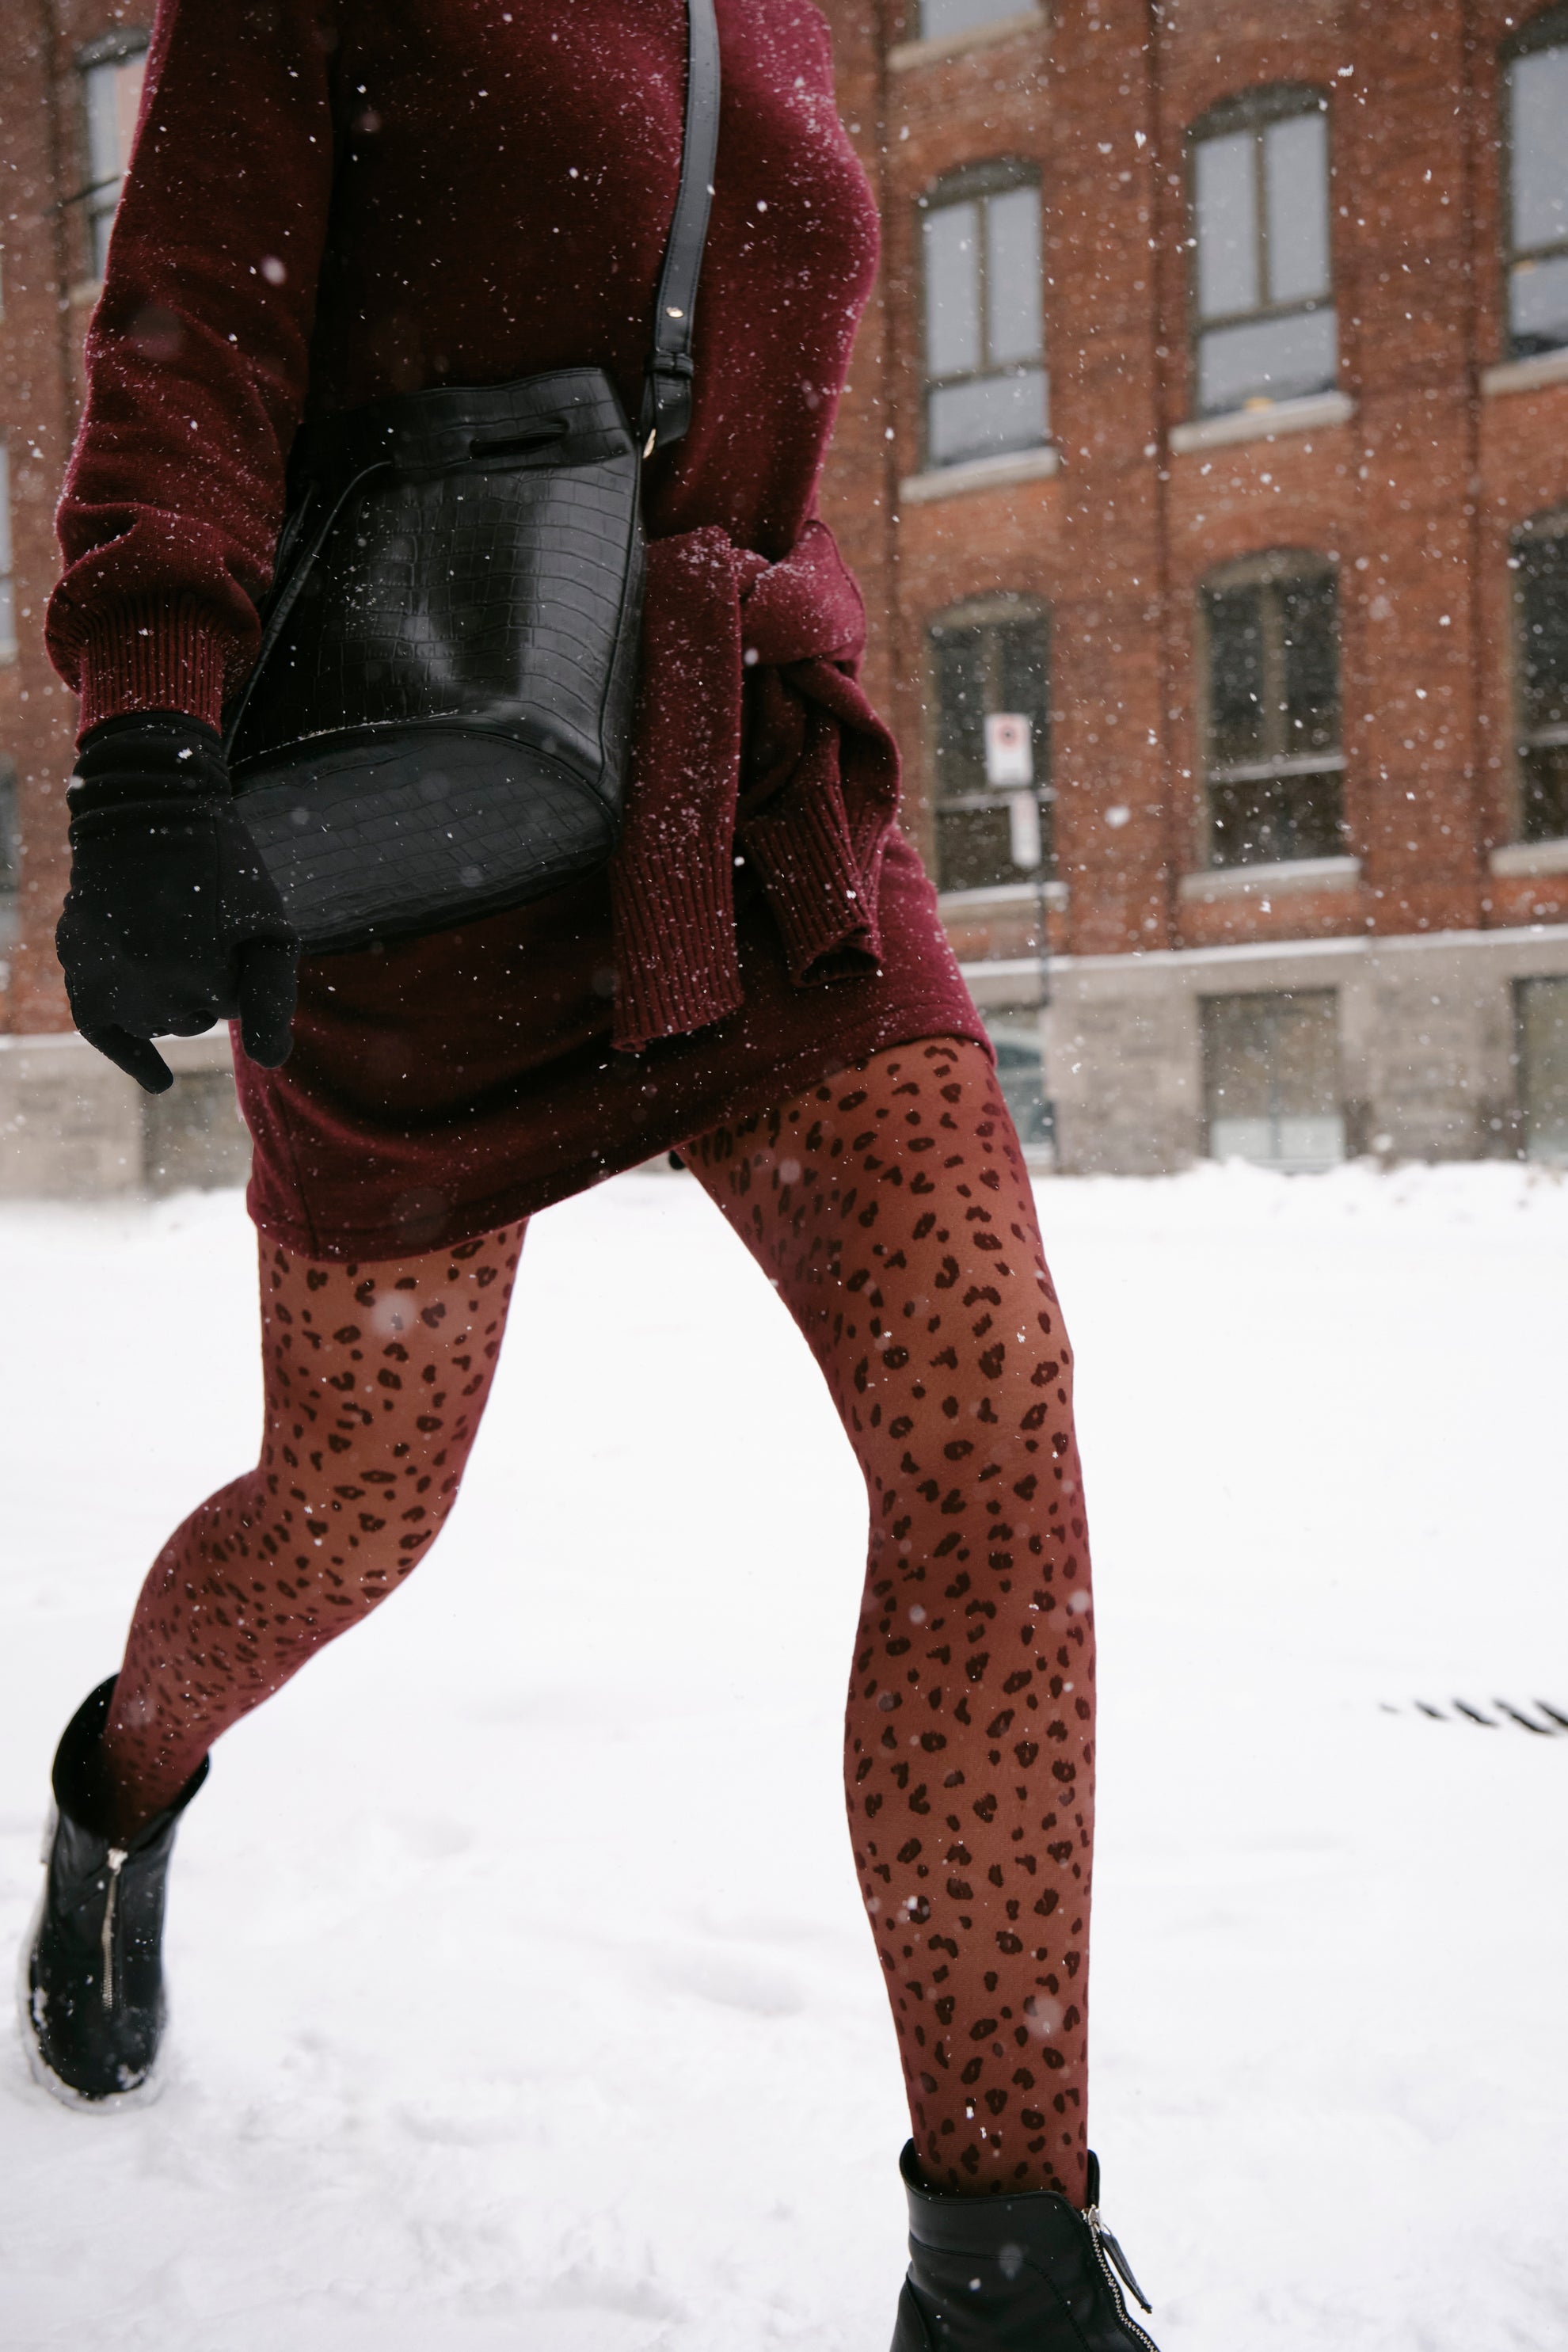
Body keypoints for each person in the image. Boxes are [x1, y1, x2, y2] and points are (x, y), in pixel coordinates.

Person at [23, 5, 1160, 2346]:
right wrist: (147, 719)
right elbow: (196, 328)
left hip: (740, 787)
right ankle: (123, 1775)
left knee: (987, 1423)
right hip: (433, 812)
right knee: (352, 1510)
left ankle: (1003, 2245)